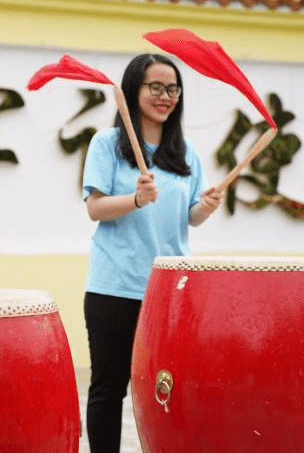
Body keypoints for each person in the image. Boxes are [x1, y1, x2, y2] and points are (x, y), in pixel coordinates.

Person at [82, 53, 223, 452]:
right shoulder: (107, 144)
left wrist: (206, 208)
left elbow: (189, 217)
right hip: (115, 286)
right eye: (156, 87)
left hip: (171, 290)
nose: (165, 96)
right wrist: (135, 199)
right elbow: (95, 208)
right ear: (134, 89)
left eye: (173, 89)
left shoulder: (185, 152)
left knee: (171, 386)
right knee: (109, 388)